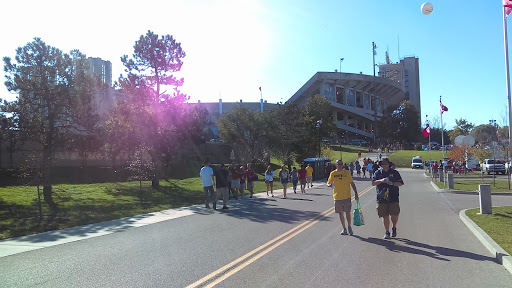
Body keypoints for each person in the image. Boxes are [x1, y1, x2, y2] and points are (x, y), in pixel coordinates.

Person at [372, 158, 404, 239]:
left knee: (394, 215)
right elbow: (373, 183)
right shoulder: (378, 173)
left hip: (393, 197)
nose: (384, 165)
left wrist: (392, 183)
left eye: (385, 164)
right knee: (384, 215)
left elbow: (400, 183)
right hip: (382, 197)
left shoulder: (394, 172)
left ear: (389, 164)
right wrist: (381, 180)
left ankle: (394, 227)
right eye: (382, 164)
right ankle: (387, 232)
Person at [327, 160, 359, 235]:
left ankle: (349, 227)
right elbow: (329, 182)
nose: (340, 165)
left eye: (341, 164)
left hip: (346, 196)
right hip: (337, 196)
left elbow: (352, 183)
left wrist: (356, 194)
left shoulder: (347, 173)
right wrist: (329, 185)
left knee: (348, 212)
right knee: (340, 213)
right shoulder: (333, 173)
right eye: (338, 164)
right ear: (336, 165)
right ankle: (344, 228)